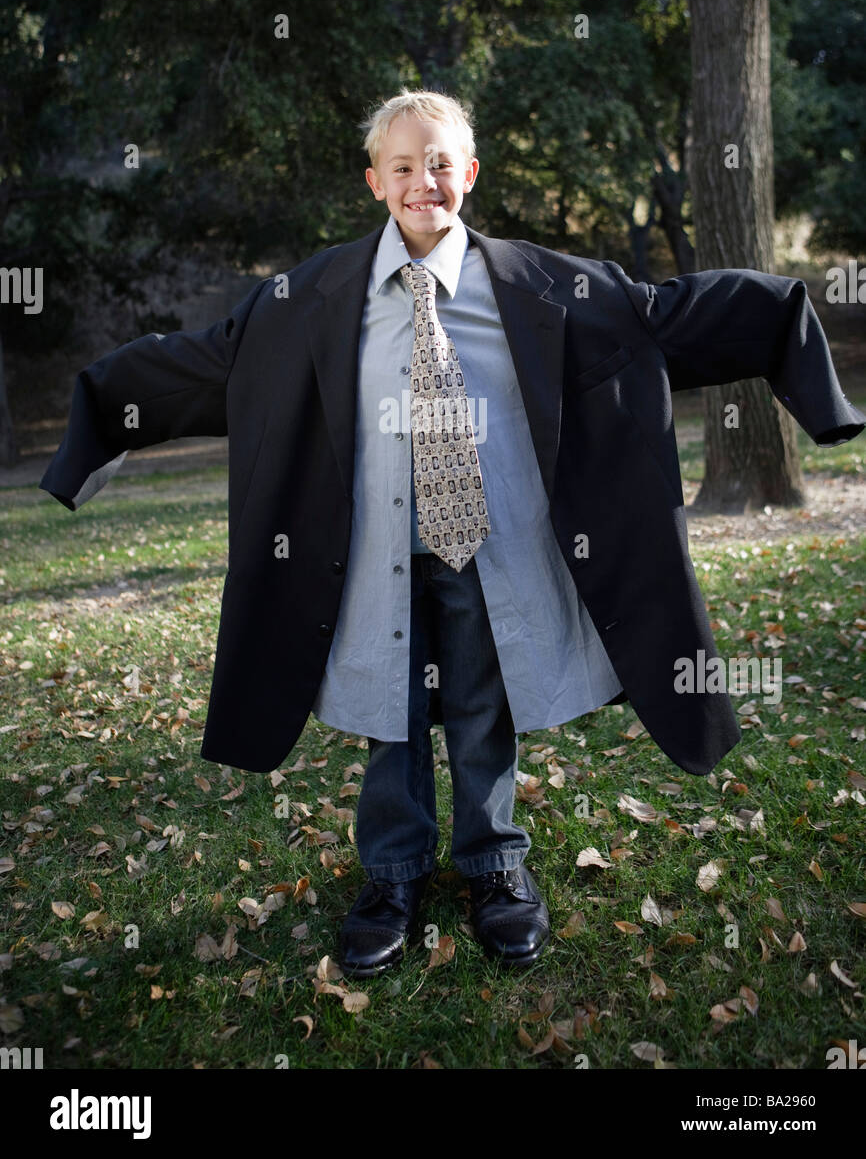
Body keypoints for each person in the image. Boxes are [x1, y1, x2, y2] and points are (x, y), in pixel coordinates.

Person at [40, 88, 866, 981]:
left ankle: (493, 866)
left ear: (468, 174)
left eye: (440, 163)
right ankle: (390, 877)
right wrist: (96, 420)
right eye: (402, 166)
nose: (422, 181)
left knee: (481, 710)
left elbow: (675, 315)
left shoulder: (546, 284)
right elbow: (202, 364)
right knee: (389, 720)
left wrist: (797, 353)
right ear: (375, 181)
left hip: (487, 547)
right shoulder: (312, 296)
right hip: (370, 558)